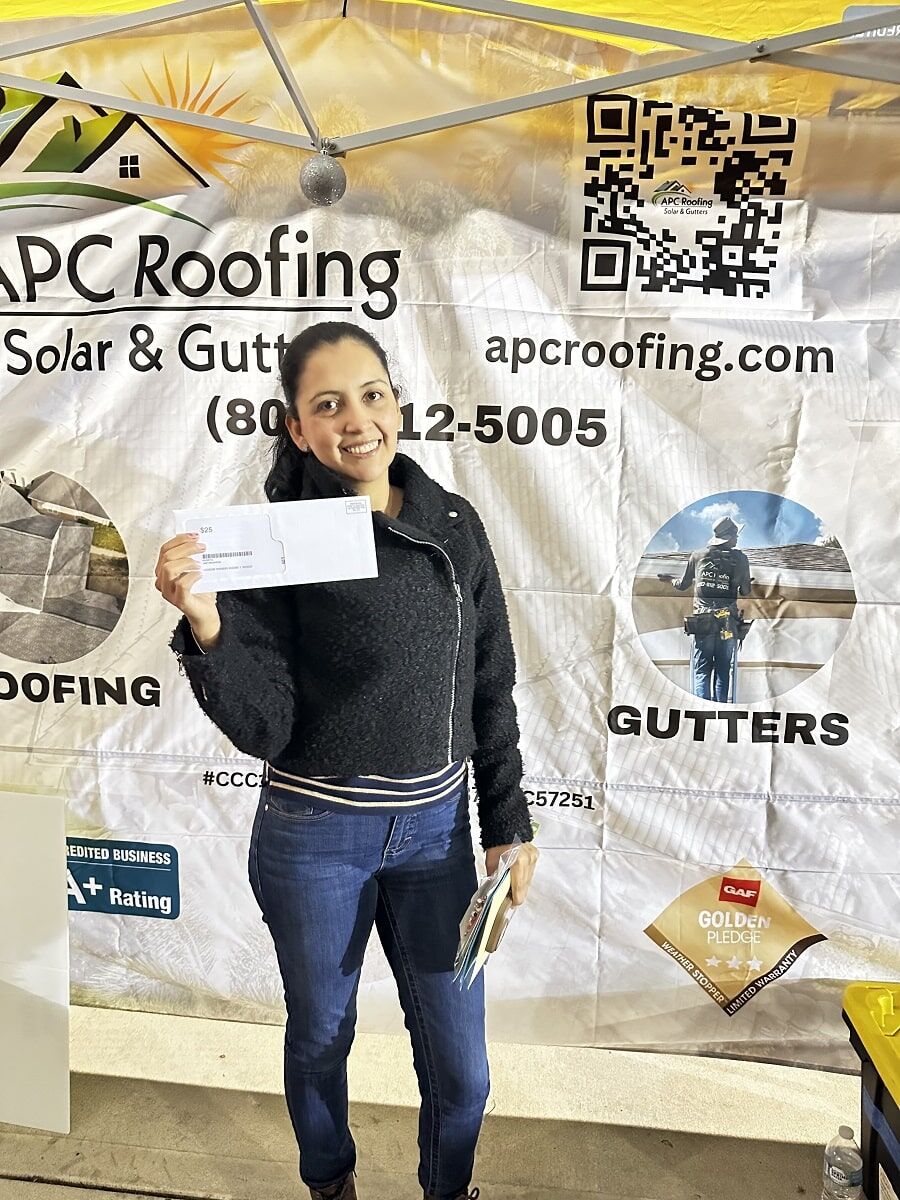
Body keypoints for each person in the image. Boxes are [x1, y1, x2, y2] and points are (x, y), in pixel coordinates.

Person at [154, 320, 540, 1200]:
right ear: (297, 428)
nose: (356, 420)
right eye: (327, 405)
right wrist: (208, 625)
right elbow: (264, 727)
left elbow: (491, 685)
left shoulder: (453, 525)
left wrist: (508, 826)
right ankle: (330, 1185)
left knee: (463, 1068)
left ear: (397, 403)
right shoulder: (277, 542)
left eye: (371, 395)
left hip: (437, 838)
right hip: (314, 835)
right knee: (322, 1038)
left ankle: (450, 1190)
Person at [658, 515, 752, 702]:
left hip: (703, 623)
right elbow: (745, 591)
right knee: (723, 669)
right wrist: (744, 581)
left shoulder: (698, 555)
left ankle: (702, 708)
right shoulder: (740, 559)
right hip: (727, 624)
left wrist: (670, 580)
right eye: (735, 535)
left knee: (702, 669)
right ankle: (720, 708)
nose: (737, 538)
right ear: (729, 537)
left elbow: (683, 584)